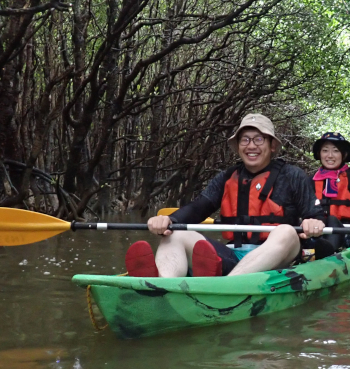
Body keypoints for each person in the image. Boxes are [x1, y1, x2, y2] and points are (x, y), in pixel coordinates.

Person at [124, 114, 326, 278]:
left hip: (279, 258)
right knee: (174, 233)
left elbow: (315, 214)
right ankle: (164, 285)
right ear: (238, 146)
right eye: (245, 140)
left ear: (272, 145)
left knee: (287, 231)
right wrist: (169, 220)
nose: (251, 146)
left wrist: (314, 223)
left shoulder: (293, 176)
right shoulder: (227, 177)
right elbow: (198, 208)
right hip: (233, 255)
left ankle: (228, 285)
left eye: (258, 139)